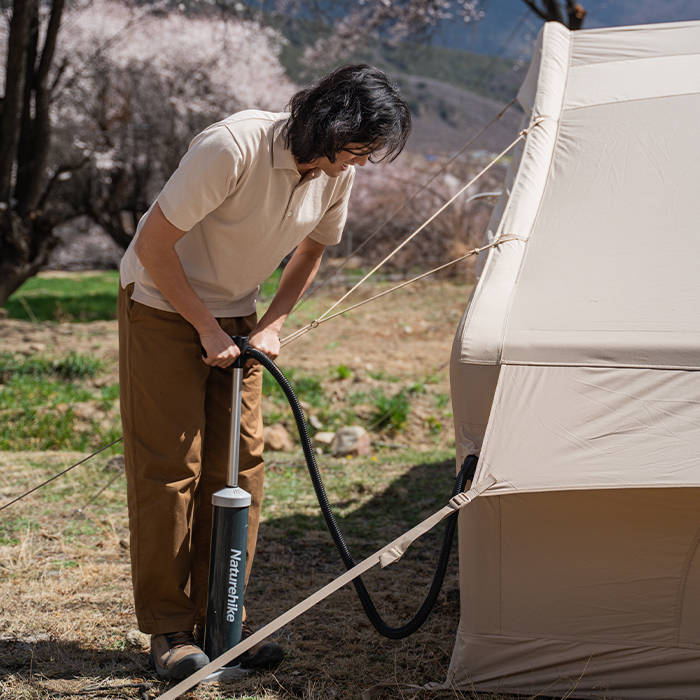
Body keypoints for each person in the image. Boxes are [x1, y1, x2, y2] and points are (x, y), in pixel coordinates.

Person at [117, 63, 411, 680]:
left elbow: (312, 251)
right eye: (356, 148)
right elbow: (153, 245)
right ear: (328, 126)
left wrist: (272, 323)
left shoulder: (335, 173)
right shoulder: (233, 146)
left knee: (240, 466)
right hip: (163, 304)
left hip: (239, 318)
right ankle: (169, 630)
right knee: (173, 468)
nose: (359, 163)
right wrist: (203, 326)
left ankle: (225, 622)